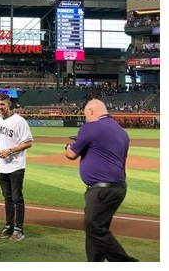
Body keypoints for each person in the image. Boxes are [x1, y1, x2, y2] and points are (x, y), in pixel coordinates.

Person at [65, 99, 138, 262]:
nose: (86, 119)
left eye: (86, 115)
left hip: (101, 190)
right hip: (118, 188)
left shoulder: (91, 127)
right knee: (97, 229)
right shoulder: (121, 131)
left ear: (91, 111)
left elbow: (71, 154)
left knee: (94, 228)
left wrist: (67, 147)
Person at [0, 92, 33, 240]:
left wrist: (9, 150)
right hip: (1, 166)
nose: (0, 107)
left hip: (16, 166)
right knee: (7, 198)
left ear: (9, 104)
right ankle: (8, 227)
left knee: (17, 198)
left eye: (2, 104)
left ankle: (19, 229)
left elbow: (28, 143)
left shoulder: (19, 121)